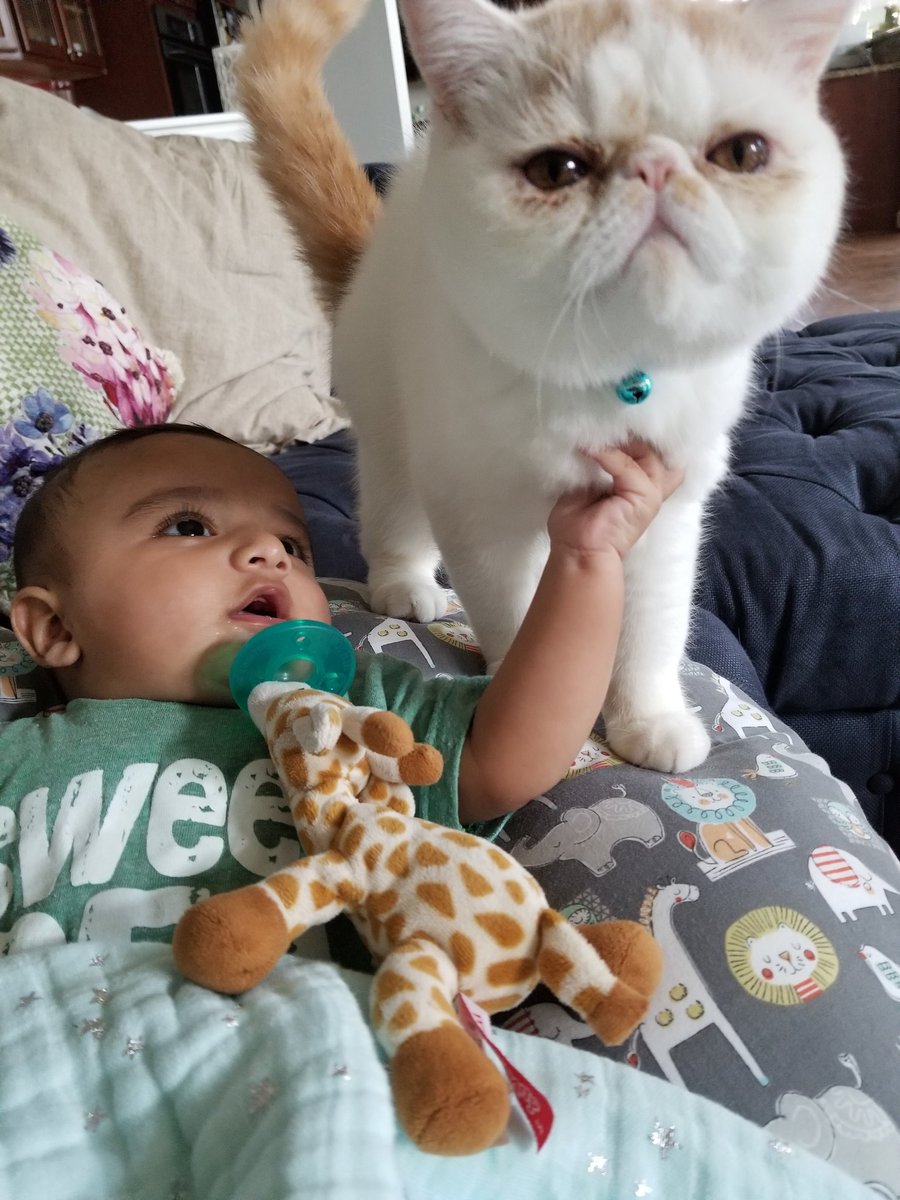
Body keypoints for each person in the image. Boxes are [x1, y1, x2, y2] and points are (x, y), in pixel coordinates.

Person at [0, 423, 681, 949]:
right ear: (56, 628)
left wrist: (585, 559)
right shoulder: (20, 756)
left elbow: (511, 754)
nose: (270, 553)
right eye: (189, 526)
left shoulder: (355, 714)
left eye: (294, 546)